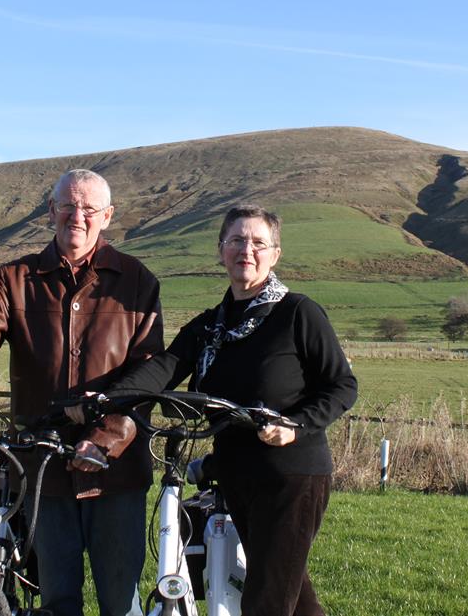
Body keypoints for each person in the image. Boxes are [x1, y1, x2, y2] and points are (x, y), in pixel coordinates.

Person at [0, 169, 161, 616]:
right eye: (67, 206)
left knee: (121, 601)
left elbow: (147, 376)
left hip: (116, 475)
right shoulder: (15, 279)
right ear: (51, 211)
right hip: (45, 472)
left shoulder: (136, 281)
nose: (76, 217)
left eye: (89, 209)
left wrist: (105, 440)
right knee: (57, 601)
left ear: (107, 216)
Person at [99, 204, 356, 616]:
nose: (246, 250)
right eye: (236, 240)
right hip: (236, 474)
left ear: (275, 254)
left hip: (290, 474)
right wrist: (107, 401)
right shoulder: (209, 326)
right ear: (221, 250)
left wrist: (295, 426)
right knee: (291, 593)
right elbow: (164, 369)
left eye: (258, 242)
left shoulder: (297, 313)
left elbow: (342, 385)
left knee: (266, 599)